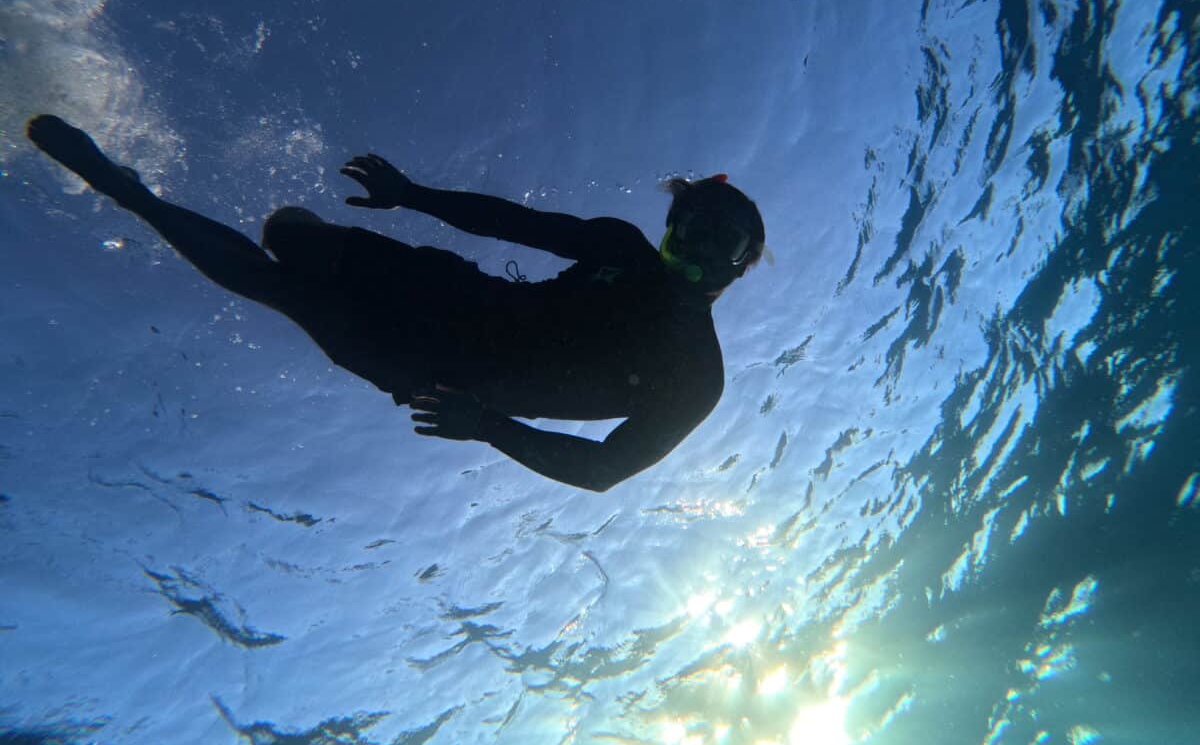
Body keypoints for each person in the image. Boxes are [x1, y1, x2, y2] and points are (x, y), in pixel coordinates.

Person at [26, 114, 765, 492]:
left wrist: (489, 428)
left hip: (437, 376)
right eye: (689, 226)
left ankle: (132, 196)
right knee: (288, 234)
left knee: (278, 287)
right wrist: (409, 195)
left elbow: (606, 470)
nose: (694, 248)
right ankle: (159, 201)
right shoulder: (622, 248)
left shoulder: (698, 377)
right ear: (671, 226)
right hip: (453, 294)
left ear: (739, 268)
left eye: (720, 242)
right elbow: (511, 221)